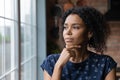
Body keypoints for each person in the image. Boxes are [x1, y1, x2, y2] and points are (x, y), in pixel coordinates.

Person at [41, 6, 117, 80]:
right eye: (65, 27)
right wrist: (59, 66)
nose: (68, 32)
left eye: (75, 27)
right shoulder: (51, 62)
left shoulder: (106, 64)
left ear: (89, 33)